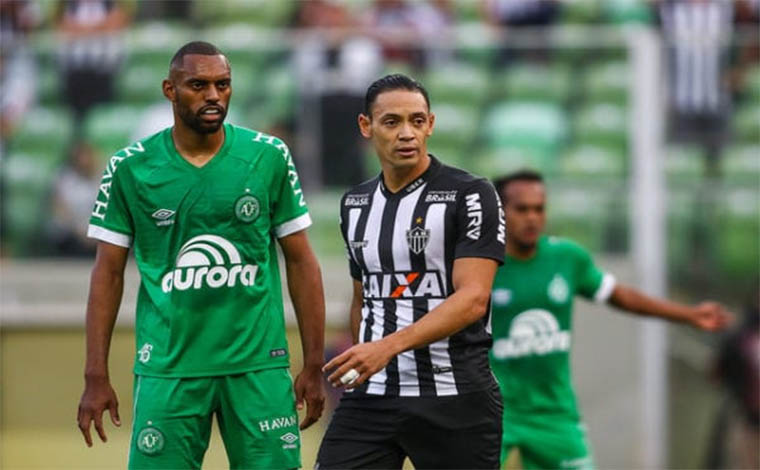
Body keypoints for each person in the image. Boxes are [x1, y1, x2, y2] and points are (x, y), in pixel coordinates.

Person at [76, 41, 326, 470]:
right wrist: (95, 372)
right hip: (169, 367)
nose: (213, 95)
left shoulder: (268, 156)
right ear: (170, 90)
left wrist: (314, 361)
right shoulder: (129, 167)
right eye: (198, 85)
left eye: (223, 84)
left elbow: (302, 262)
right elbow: (108, 273)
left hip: (257, 367)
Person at [317, 74, 507, 469]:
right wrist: (364, 361)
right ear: (366, 127)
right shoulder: (355, 203)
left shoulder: (470, 194)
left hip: (454, 399)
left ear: (431, 124)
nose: (407, 133)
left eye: (417, 121)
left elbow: (473, 300)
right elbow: (363, 297)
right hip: (372, 398)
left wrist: (384, 348)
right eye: (392, 122)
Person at [489, 169, 733, 470]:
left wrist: (688, 314)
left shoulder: (567, 258)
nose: (532, 218)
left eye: (539, 209)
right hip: (494, 410)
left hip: (553, 412)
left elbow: (621, 296)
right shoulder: (482, 265)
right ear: (501, 211)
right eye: (522, 209)